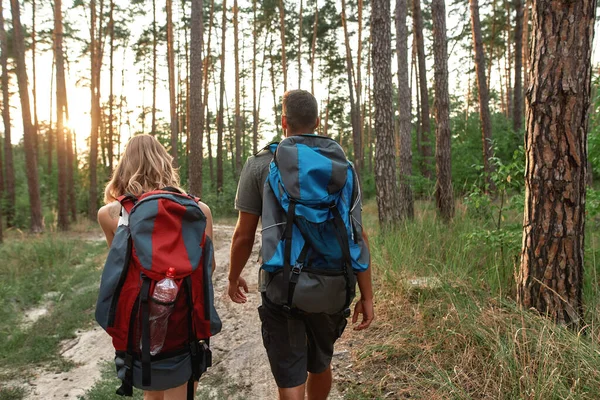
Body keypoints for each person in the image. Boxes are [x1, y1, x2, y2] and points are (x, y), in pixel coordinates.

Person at [228, 90, 374, 400]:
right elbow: (357, 235)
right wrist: (367, 296)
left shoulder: (261, 163)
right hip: (334, 283)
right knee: (320, 364)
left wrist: (233, 276)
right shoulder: (342, 167)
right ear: (317, 122)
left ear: (283, 122)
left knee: (290, 376)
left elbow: (243, 234)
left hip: (281, 286)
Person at [98, 134, 215, 400]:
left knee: (152, 390)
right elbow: (208, 268)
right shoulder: (200, 210)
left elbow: (120, 269)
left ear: (124, 166)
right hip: (186, 319)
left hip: (139, 322)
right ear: (165, 164)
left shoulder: (110, 214)